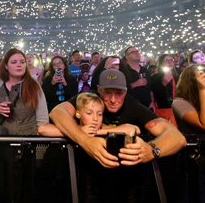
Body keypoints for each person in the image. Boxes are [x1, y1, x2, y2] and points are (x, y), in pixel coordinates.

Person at [50, 69, 186, 202]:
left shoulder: (131, 105)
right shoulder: (90, 99)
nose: (113, 99)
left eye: (119, 93)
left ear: (126, 91)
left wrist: (150, 150)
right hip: (85, 183)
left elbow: (177, 138)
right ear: (99, 90)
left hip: (125, 185)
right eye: (107, 93)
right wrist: (86, 141)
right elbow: (57, 112)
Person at [0, 48, 50, 135]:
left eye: (22, 62)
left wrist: (38, 139)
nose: (19, 65)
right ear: (6, 66)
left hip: (29, 138)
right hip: (2, 138)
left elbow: (42, 119)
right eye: (14, 62)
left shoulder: (33, 85)